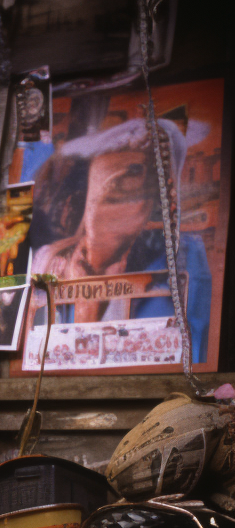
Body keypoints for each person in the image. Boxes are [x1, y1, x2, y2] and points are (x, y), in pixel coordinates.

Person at [30, 117, 211, 362]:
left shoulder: (183, 258)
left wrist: (90, 309)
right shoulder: (48, 260)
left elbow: (191, 353)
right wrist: (87, 308)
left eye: (147, 189)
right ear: (83, 203)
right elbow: (36, 352)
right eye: (116, 192)